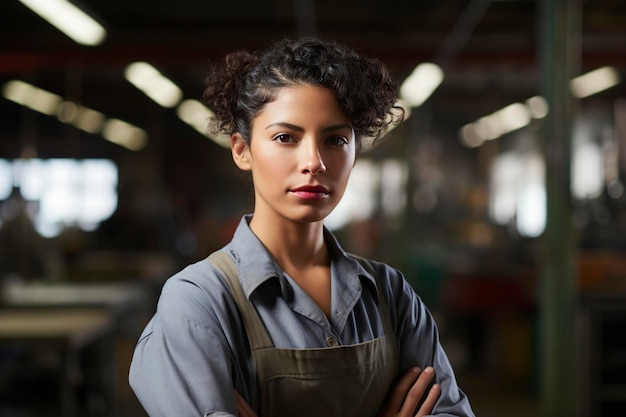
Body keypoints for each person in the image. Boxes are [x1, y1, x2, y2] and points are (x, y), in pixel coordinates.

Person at [129, 37, 474, 417]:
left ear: (355, 151)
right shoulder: (199, 303)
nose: (314, 162)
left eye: (335, 139)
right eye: (285, 138)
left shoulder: (391, 296)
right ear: (242, 150)